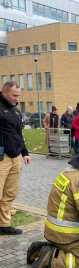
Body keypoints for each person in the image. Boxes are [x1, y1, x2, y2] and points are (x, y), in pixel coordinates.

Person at [0, 81, 31, 235]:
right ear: (4, 92)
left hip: (16, 156)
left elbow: (19, 134)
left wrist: (25, 152)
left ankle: (4, 224)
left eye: (19, 95)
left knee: (10, 192)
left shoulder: (16, 111)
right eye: (14, 95)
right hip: (1, 157)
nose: (17, 98)